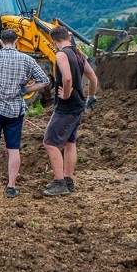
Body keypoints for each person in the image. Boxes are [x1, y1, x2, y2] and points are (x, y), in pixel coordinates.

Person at [0, 29, 50, 198]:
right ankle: (11, 186)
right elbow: (44, 81)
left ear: (1, 41)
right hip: (15, 109)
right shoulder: (26, 59)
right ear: (16, 41)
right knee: (13, 148)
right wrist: (26, 89)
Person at [42, 25, 99, 197]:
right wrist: (90, 97)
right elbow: (93, 77)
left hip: (66, 107)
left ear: (53, 41)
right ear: (68, 36)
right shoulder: (80, 55)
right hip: (79, 105)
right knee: (69, 142)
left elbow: (67, 77)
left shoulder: (61, 54)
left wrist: (65, 94)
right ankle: (68, 179)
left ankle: (59, 182)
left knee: (50, 143)